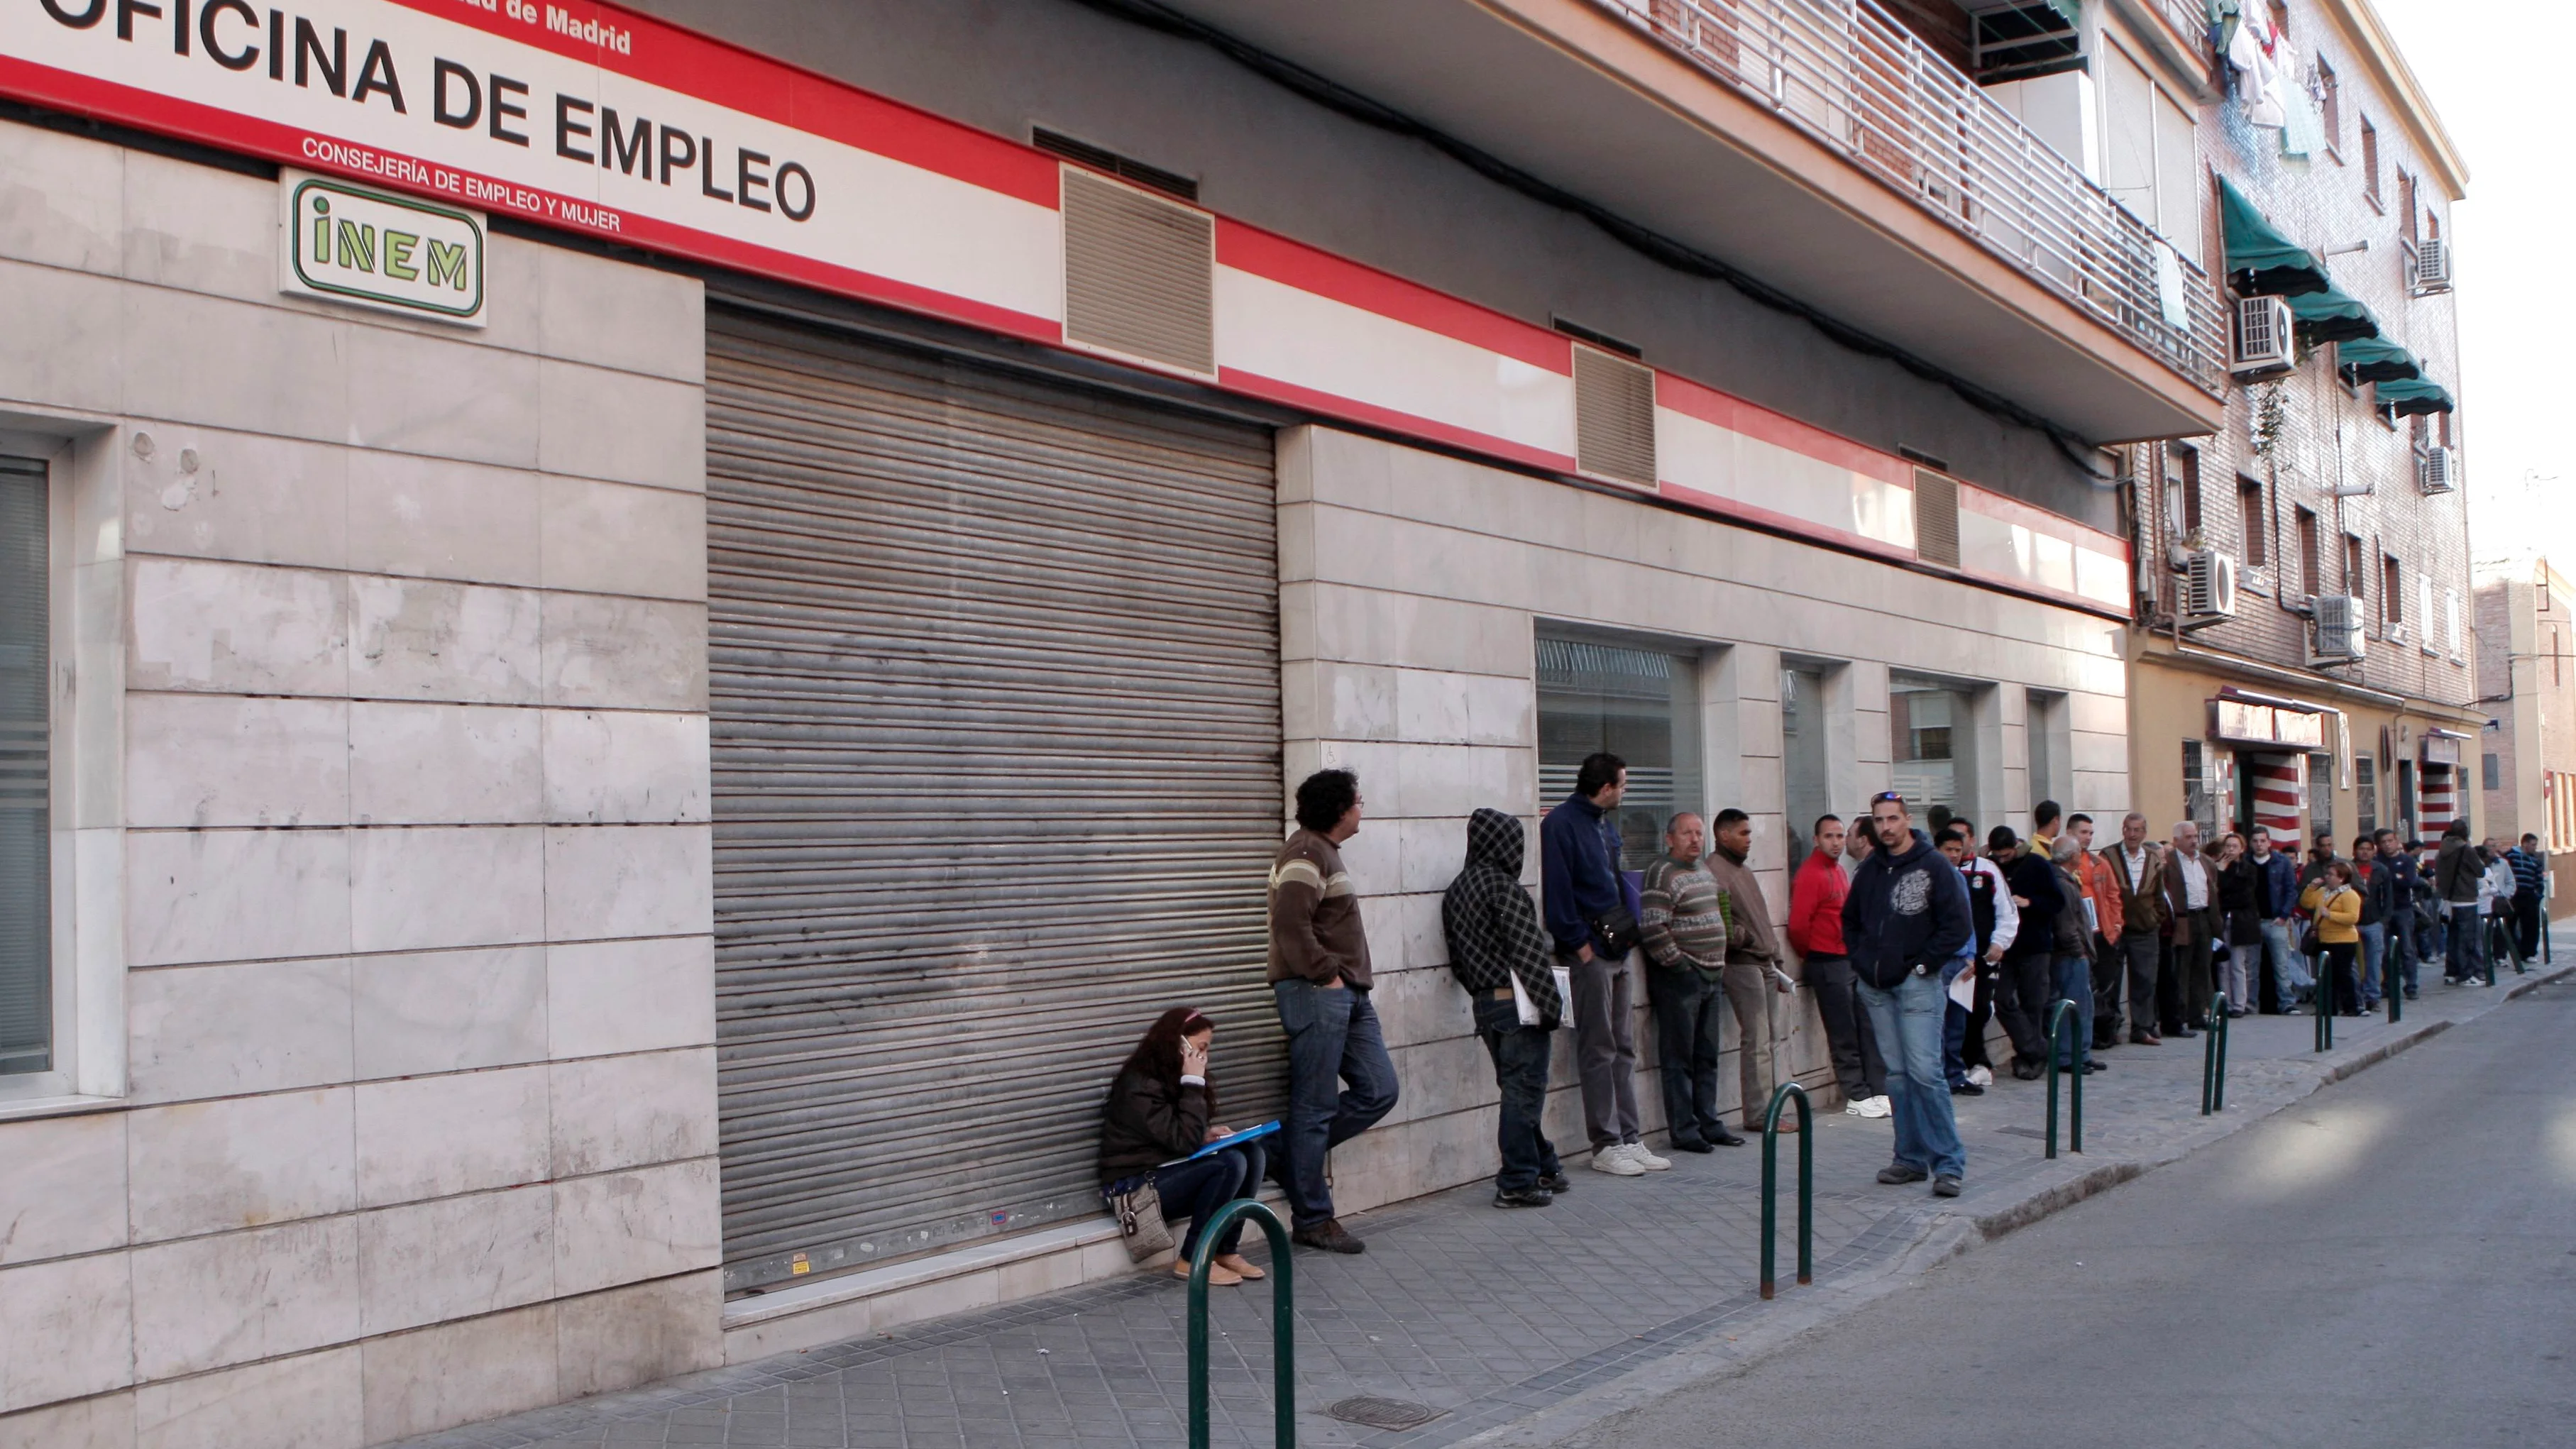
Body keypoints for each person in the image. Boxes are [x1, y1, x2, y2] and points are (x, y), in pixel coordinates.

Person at [1267, 768, 1398, 1254]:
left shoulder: (1323, 852)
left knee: (1380, 1089)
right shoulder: (1304, 852)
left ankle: (1285, 1153)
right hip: (1318, 993)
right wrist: (1327, 974)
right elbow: (1290, 924)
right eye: (1359, 801)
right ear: (1340, 810)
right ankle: (1314, 1218)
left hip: (1346, 995)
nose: (1363, 807)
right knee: (1315, 1106)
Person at [1843, 792, 1974, 1199]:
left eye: (1893, 819)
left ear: (1907, 820)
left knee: (1925, 1073)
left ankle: (1949, 1164)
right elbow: (1850, 921)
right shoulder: (1869, 870)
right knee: (1897, 1077)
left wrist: (1923, 965)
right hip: (1876, 987)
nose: (1886, 827)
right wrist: (1862, 962)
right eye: (1879, 820)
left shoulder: (1934, 865)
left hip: (1918, 984)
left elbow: (1958, 925)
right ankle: (1909, 1158)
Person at [1542, 753, 1667, 1177]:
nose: (1626, 792)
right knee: (1599, 1046)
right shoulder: (1561, 824)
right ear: (1607, 787)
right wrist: (1579, 946)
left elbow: (1614, 880)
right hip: (1590, 952)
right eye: (1624, 784)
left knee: (1624, 1046)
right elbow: (1558, 892)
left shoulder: (1603, 825)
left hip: (1618, 944)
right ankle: (1606, 1142)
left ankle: (1631, 1137)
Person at [1441, 808, 1573, 1208]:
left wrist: (1482, 994)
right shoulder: (1505, 889)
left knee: (1517, 1092)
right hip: (1518, 1005)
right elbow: (1529, 955)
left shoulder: (1457, 890)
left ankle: (1544, 1165)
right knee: (1523, 1094)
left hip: (1486, 1006)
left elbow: (1458, 960)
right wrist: (1553, 1009)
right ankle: (1517, 1180)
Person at [1100, 1008, 1272, 1285]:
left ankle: (1225, 1249)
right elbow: (1182, 1141)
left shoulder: (1168, 1078)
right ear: (1178, 1044)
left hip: (1162, 1171)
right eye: (1201, 1048)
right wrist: (1193, 1082)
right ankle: (1193, 1258)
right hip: (1133, 1188)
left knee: (1251, 1153)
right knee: (1229, 1164)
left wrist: (1205, 1135)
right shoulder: (1138, 1085)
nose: (1205, 1057)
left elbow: (1177, 1136)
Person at [1638, 811, 1751, 1154]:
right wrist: (1680, 966)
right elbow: (1654, 927)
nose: (1695, 840)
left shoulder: (1703, 870)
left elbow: (1721, 909)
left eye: (1699, 834)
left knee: (1707, 1055)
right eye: (1687, 834)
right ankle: (1685, 1131)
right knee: (1680, 1058)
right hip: (1682, 979)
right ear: (1669, 839)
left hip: (1713, 975)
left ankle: (1709, 1123)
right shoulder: (1661, 873)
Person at [1789, 814, 1890, 1118]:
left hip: (1847, 959)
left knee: (1864, 1025)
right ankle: (1857, 1094)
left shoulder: (1840, 872)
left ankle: (1876, 1089)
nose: (1836, 842)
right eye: (1829, 836)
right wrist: (1815, 953)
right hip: (1826, 961)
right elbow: (1798, 926)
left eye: (1839, 836)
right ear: (1817, 839)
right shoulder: (1811, 874)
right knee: (1843, 1030)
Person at [1705, 808, 1797, 1136]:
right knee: (1756, 1039)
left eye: (1749, 834)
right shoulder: (1716, 871)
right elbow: (1725, 928)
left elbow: (1760, 919)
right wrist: (1750, 940)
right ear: (1723, 835)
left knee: (1772, 1039)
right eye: (1743, 833)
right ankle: (1758, 1113)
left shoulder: (1741, 870)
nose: (1748, 840)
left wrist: (1777, 961)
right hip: (1742, 964)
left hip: (1765, 962)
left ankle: (1773, 1106)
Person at [1935, 825, 2017, 1094]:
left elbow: (1967, 922)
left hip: (1963, 963)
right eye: (1949, 850)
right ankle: (1941, 1076)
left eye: (1958, 850)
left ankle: (1956, 1074)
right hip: (1937, 963)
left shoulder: (1970, 876)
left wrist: (1970, 956)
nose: (1954, 856)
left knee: (1961, 1020)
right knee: (1939, 1024)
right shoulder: (1930, 877)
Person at [1996, 825, 2064, 1079]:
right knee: (2002, 999)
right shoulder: (1993, 866)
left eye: (2005, 854)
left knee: (2033, 1002)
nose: (2002, 860)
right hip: (2006, 947)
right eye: (1997, 855)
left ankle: (2030, 1057)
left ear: (2015, 847)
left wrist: (2030, 902)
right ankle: (2035, 1049)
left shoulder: (2037, 864)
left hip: (2035, 945)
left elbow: (2057, 902)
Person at [2102, 812, 2168, 1045]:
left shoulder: (2153, 858)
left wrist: (2156, 918)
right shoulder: (2108, 856)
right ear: (2123, 830)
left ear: (2144, 833)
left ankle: (2142, 1028)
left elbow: (2159, 893)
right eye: (2128, 829)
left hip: (2145, 927)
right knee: (2111, 980)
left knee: (2144, 979)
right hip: (2117, 928)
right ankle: (2109, 1028)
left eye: (2137, 830)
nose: (2132, 834)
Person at [2065, 813, 2124, 1049]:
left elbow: (2113, 894)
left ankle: (2104, 1032)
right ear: (2070, 833)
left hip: (2102, 932)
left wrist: (2117, 923)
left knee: (2105, 984)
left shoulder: (2098, 862)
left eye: (2091, 833)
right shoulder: (2063, 862)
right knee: (2085, 987)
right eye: (2083, 832)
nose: (2088, 838)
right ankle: (2087, 1037)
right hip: (2077, 935)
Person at [2045, 834, 2103, 1074]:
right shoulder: (2061, 884)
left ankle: (2083, 1053)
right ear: (2071, 857)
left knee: (2085, 1004)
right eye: (2079, 851)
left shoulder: (2066, 880)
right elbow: (2067, 927)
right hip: (2069, 955)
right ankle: (2069, 1056)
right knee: (2074, 1005)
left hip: (2075, 954)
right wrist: (2079, 952)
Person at [2160, 821, 2219, 1035]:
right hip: (2182, 920)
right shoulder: (2169, 862)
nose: (2194, 840)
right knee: (2182, 969)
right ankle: (2180, 1016)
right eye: (2188, 837)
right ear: (2176, 840)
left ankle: (2197, 1015)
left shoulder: (2206, 862)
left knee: (2202, 968)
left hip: (2203, 917)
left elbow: (2213, 890)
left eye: (2195, 836)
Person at [2245, 826, 2309, 1013]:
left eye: (2262, 841)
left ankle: (2287, 1002)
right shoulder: (2246, 862)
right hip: (2252, 922)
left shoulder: (2281, 862)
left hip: (2275, 920)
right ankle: (2250, 1004)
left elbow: (2291, 890)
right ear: (2251, 843)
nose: (2259, 844)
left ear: (2269, 842)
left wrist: (2284, 916)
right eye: (2255, 841)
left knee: (2282, 964)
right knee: (2252, 966)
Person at [2299, 862, 2365, 1017]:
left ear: (2341, 878)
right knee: (2326, 975)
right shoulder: (2323, 892)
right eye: (2327, 874)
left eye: (2331, 875)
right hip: (2324, 938)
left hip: (2343, 940)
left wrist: (2330, 915)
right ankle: (2328, 1008)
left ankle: (2351, 1007)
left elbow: (2352, 918)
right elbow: (2306, 902)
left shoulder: (2350, 895)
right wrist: (2310, 887)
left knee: (2343, 974)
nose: (2327, 878)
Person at [2374, 828, 2423, 1001]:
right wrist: (2395, 878)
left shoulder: (2407, 860)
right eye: (2384, 842)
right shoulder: (2376, 861)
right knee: (2385, 950)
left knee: (2407, 949)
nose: (2387, 845)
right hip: (2382, 910)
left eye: (2390, 841)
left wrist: (2390, 878)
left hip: (2403, 909)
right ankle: (2388, 984)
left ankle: (2411, 985)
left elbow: (2408, 882)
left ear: (2396, 841)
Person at [2433, 822, 2484, 986]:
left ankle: (2451, 972)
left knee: (2453, 937)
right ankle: (2466, 975)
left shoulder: (2441, 851)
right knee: (2466, 938)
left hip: (2448, 899)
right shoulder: (2466, 850)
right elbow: (2480, 871)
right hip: (2465, 898)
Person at [2214, 832, 2259, 1017]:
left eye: (2234, 846)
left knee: (2238, 963)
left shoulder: (2249, 869)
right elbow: (2216, 892)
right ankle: (2226, 1001)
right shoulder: (2219, 868)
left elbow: (2244, 896)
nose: (2231, 849)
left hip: (2241, 921)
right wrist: (2221, 871)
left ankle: (2240, 1004)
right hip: (2223, 919)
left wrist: (2227, 888)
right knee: (2223, 964)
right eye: (2228, 846)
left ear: (2242, 849)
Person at [2352, 836, 2390, 1010]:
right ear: (2355, 851)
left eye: (2368, 848)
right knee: (2353, 962)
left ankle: (2372, 997)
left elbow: (2388, 897)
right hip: (2352, 922)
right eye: (2361, 848)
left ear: (2373, 851)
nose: (2365, 852)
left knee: (2374, 961)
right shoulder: (2348, 869)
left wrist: (2384, 920)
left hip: (2374, 921)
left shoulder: (2380, 870)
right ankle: (2355, 996)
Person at [2509, 833, 2547, 965]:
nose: (2535, 848)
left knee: (2531, 925)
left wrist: (2537, 895)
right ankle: (2517, 950)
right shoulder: (2511, 856)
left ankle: (2529, 953)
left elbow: (2539, 880)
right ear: (2524, 844)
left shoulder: (2535, 861)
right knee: (2509, 925)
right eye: (2533, 845)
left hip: (2529, 895)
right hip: (2514, 896)